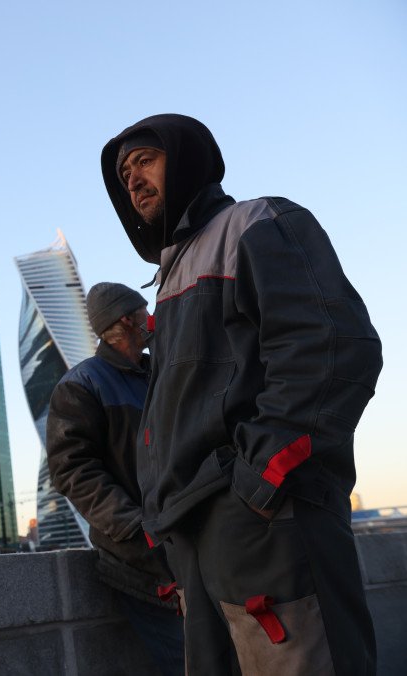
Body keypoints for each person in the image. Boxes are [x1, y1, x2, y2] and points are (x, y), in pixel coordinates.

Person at [101, 114, 382, 674]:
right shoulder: (172, 274)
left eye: (144, 161)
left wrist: (259, 482)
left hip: (267, 526)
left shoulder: (256, 223)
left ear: (186, 159)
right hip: (198, 541)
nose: (132, 180)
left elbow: (332, 347)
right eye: (124, 173)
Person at [47, 281, 184, 675]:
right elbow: (73, 471)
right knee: (187, 663)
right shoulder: (80, 385)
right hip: (142, 565)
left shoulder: (158, 373)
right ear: (128, 319)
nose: (152, 318)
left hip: (187, 552)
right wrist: (140, 529)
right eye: (144, 311)